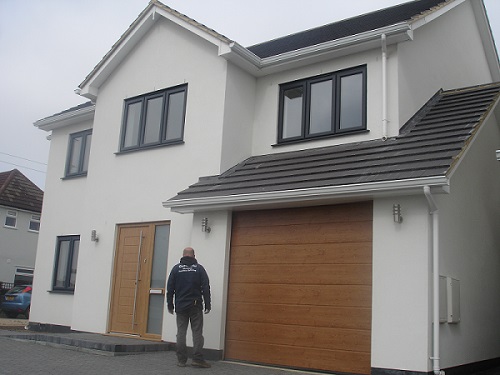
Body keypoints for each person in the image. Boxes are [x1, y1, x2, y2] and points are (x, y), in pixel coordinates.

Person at [167, 247, 211, 368]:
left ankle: (181, 360)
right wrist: (208, 304)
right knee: (197, 332)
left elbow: (170, 288)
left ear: (183, 255)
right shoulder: (199, 269)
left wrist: (170, 305)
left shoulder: (176, 269)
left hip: (180, 306)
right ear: (194, 256)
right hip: (195, 305)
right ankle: (197, 359)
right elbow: (206, 287)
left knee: (181, 332)